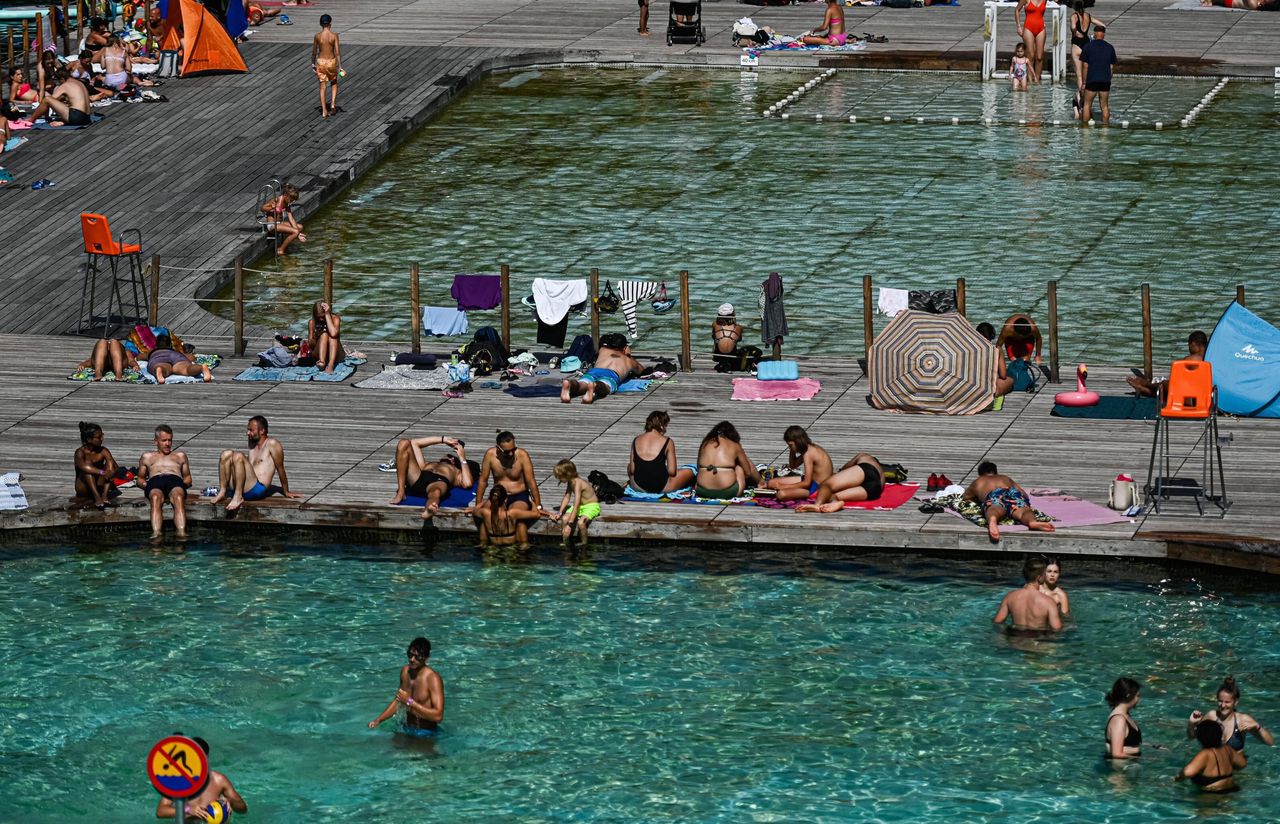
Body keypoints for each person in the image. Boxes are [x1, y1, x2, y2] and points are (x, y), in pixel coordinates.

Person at [210, 415, 304, 511]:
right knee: (226, 454)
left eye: (251, 430)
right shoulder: (252, 443)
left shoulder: (272, 444)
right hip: (245, 485)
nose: (247, 433)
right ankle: (223, 491)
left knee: (238, 456)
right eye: (248, 429)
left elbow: (280, 468)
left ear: (262, 431)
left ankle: (238, 497)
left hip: (256, 489)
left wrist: (286, 491)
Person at [473, 431, 543, 545]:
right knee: (485, 517)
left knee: (517, 517)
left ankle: (520, 546)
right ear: (498, 448)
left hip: (519, 495)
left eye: (513, 449)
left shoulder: (522, 455)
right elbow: (483, 480)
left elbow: (531, 481)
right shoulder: (490, 455)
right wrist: (478, 504)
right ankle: (484, 546)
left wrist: (538, 505)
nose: (511, 454)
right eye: (507, 452)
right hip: (499, 495)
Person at [155, 736, 247, 820]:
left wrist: (231, 802)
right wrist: (187, 810)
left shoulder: (219, 780)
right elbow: (161, 812)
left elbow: (243, 809)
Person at [962, 460, 1056, 542]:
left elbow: (966, 497)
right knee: (1023, 510)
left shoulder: (978, 481)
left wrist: (978, 498)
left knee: (995, 508)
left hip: (995, 494)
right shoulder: (1005, 478)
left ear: (980, 473)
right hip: (1011, 492)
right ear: (996, 472)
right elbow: (1024, 494)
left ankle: (993, 519)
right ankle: (1031, 521)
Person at [368, 637, 445, 736]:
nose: (412, 659)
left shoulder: (432, 679)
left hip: (425, 732)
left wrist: (410, 702)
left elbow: (438, 716)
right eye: (410, 655)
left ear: (426, 658)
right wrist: (378, 720)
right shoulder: (405, 671)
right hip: (405, 727)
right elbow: (399, 701)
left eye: (417, 657)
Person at [1187, 676, 1274, 763]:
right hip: (1213, 766)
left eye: (1227, 702)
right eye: (1220, 701)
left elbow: (1270, 742)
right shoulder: (1212, 716)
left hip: (1235, 769)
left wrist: (1258, 727)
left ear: (1235, 702)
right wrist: (1191, 723)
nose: (1223, 705)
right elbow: (1192, 736)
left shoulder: (1242, 720)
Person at [387, 435, 472, 519]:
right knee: (403, 443)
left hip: (438, 481)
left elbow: (467, 483)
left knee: (435, 491)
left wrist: (462, 457)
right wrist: (443, 440)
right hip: (420, 477)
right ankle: (401, 492)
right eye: (448, 456)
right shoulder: (426, 464)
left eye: (452, 457)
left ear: (455, 462)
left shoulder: (456, 471)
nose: (450, 457)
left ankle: (430, 508)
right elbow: (414, 443)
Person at [138, 424, 193, 540]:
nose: (167, 444)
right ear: (155, 441)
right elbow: (140, 478)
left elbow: (188, 478)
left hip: (175, 480)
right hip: (155, 480)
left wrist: (183, 486)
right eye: (164, 440)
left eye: (170, 440)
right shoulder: (147, 457)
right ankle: (156, 533)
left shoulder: (180, 456)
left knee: (178, 497)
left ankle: (181, 533)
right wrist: (145, 485)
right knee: (155, 498)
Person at [560, 332, 642, 404]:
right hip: (611, 374)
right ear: (624, 348)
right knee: (605, 386)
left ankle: (570, 384)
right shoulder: (629, 360)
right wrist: (628, 355)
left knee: (582, 384)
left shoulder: (603, 350)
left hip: (594, 372)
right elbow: (641, 370)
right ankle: (594, 386)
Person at [761, 425, 834, 502]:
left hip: (817, 487)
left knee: (781, 494)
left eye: (791, 445)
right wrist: (792, 450)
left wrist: (784, 487)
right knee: (771, 483)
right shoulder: (808, 448)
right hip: (812, 482)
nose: (789, 447)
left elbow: (807, 483)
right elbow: (793, 465)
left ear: (797, 442)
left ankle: (813, 495)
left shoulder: (809, 454)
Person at [628, 410, 695, 494]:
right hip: (662, 487)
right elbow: (672, 472)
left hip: (638, 487)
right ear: (661, 425)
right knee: (690, 471)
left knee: (629, 466)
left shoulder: (636, 440)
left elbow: (632, 470)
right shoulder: (667, 441)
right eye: (665, 425)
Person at [1126, 330, 1207, 397]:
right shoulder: (1210, 358)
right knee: (1168, 388)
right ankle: (1144, 389)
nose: (1189, 348)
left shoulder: (1191, 359)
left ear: (1193, 343)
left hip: (1189, 397)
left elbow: (1175, 380)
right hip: (1204, 395)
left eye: (1189, 345)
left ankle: (1146, 384)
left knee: (1166, 384)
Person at [992, 556, 1063, 632]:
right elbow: (1057, 628)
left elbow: (997, 622)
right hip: (1038, 641)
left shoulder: (1009, 597)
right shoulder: (1048, 602)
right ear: (1039, 577)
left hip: (1015, 640)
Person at [796, 453, 884, 513]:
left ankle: (817, 505)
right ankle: (835, 502)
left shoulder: (864, 456)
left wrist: (839, 475)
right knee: (831, 495)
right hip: (875, 490)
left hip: (867, 469)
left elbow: (846, 468)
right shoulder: (881, 473)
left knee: (826, 485)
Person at [694, 421, 760, 500]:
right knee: (740, 466)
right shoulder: (734, 445)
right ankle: (761, 482)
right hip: (728, 492)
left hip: (702, 491)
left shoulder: (705, 443)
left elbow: (698, 468)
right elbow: (748, 472)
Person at [1177, 720, 1247, 792]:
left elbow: (1187, 772)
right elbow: (1242, 764)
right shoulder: (1227, 748)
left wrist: (1177, 778)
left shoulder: (1206, 753)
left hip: (1212, 793)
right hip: (1232, 788)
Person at [468, 485, 544, 547]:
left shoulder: (485, 513)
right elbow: (536, 514)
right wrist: (532, 502)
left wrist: (484, 501)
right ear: (506, 500)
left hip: (493, 547)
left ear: (491, 500)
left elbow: (475, 510)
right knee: (521, 523)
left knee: (483, 524)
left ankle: (482, 543)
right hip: (511, 548)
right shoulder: (512, 513)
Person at [550, 460, 601, 546]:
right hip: (581, 506)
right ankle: (565, 541)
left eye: (559, 476)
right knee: (564, 518)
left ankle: (584, 543)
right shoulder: (571, 481)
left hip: (591, 506)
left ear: (567, 474)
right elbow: (567, 497)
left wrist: (569, 525)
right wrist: (560, 512)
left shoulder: (578, 483)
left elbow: (576, 504)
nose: (558, 478)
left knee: (581, 523)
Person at [73, 421, 118, 509]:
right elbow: (83, 466)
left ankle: (104, 496)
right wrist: (102, 472)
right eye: (98, 437)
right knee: (88, 468)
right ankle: (97, 496)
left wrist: (110, 471)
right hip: (83, 488)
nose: (102, 439)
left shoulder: (103, 451)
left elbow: (114, 466)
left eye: (102, 435)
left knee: (111, 467)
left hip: (99, 485)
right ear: (89, 440)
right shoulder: (80, 452)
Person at [24, 69, 92, 127]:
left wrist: (46, 116)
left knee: (47, 99)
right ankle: (65, 121)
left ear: (62, 79)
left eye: (59, 81)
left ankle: (31, 119)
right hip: (87, 118)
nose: (59, 83)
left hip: (77, 117)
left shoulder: (65, 85)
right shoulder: (79, 83)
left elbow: (49, 100)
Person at [1079, 24, 1117, 125]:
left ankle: (1085, 130)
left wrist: (1084, 82)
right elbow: (1111, 67)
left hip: (1092, 80)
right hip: (1105, 81)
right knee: (1104, 106)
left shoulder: (1088, 47)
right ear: (1103, 34)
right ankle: (1105, 129)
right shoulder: (1110, 48)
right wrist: (1108, 79)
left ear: (1095, 34)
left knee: (1087, 105)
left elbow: (1085, 66)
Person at [146, 334, 212, 384]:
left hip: (158, 357)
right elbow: (190, 357)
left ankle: (159, 369)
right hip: (175, 356)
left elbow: (140, 356)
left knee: (163, 367)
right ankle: (201, 368)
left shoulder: (152, 351)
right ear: (170, 345)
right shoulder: (174, 351)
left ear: (156, 345)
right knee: (186, 369)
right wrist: (192, 358)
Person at [311, 14, 343, 118]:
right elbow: (337, 52)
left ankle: (324, 110)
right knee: (333, 82)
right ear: (330, 24)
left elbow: (314, 52)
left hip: (321, 62)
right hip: (331, 61)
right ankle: (333, 103)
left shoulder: (317, 36)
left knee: (322, 86)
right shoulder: (334, 36)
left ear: (321, 24)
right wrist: (340, 66)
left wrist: (312, 63)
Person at [261, 183, 306, 255]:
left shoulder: (286, 203)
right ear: (286, 196)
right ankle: (280, 249)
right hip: (272, 225)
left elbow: (291, 218)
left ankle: (285, 242)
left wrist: (298, 233)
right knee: (295, 232)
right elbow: (262, 208)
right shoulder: (276, 200)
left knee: (299, 227)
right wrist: (272, 207)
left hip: (280, 223)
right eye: (292, 199)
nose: (293, 201)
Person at [1105, 677, 1143, 760]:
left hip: (1129, 765)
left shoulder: (1125, 715)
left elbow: (1129, 742)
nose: (1139, 699)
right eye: (1137, 696)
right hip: (1122, 769)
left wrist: (1153, 747)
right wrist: (1148, 759)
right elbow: (1117, 754)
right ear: (1129, 695)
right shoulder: (1119, 719)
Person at [1069, 1, 1102, 90]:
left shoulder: (1074, 16)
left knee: (1079, 75)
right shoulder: (1088, 16)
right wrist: (1094, 36)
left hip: (1076, 44)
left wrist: (1074, 31)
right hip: (1086, 44)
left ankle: (1081, 96)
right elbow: (1102, 25)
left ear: (1074, 7)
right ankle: (1087, 92)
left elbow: (1073, 27)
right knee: (1086, 73)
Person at [976, 322, 1015, 397]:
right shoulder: (997, 350)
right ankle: (993, 394)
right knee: (1010, 380)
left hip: (969, 387)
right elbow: (1003, 375)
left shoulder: (968, 348)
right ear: (992, 335)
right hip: (986, 389)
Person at [1015, 0, 1047, 84]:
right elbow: (1017, 10)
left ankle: (1036, 80)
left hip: (1041, 28)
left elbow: (1040, 12)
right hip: (1029, 27)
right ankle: (1029, 80)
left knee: (1039, 57)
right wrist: (1018, 26)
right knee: (1031, 56)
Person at [307, 300, 342, 373]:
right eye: (318, 317)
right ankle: (322, 362)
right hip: (319, 353)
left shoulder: (335, 319)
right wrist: (315, 336)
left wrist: (327, 315)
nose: (321, 319)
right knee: (324, 334)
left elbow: (333, 334)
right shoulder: (311, 322)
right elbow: (311, 345)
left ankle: (331, 364)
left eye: (323, 317)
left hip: (335, 353)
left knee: (332, 337)